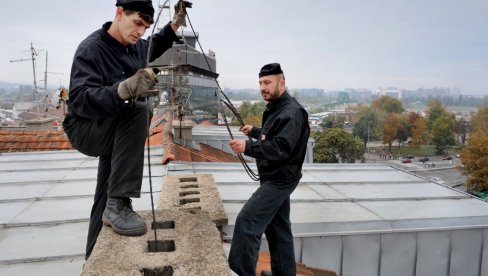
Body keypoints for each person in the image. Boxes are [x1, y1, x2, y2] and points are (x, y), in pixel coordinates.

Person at [63, 0, 192, 260]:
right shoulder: (92, 49)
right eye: (137, 24)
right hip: (86, 128)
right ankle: (119, 203)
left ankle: (94, 256)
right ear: (119, 13)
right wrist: (124, 89)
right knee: (138, 109)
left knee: (105, 190)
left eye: (145, 27)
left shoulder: (135, 46)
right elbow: (79, 100)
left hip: (113, 127)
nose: (140, 32)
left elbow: (154, 44)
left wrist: (175, 24)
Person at [228, 63, 310, 276]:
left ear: (281, 83)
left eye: (268, 82)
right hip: (277, 176)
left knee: (247, 222)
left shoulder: (291, 112)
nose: (263, 87)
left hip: (279, 179)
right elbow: (274, 135)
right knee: (278, 229)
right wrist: (255, 131)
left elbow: (282, 147)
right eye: (261, 83)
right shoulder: (278, 107)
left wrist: (247, 146)